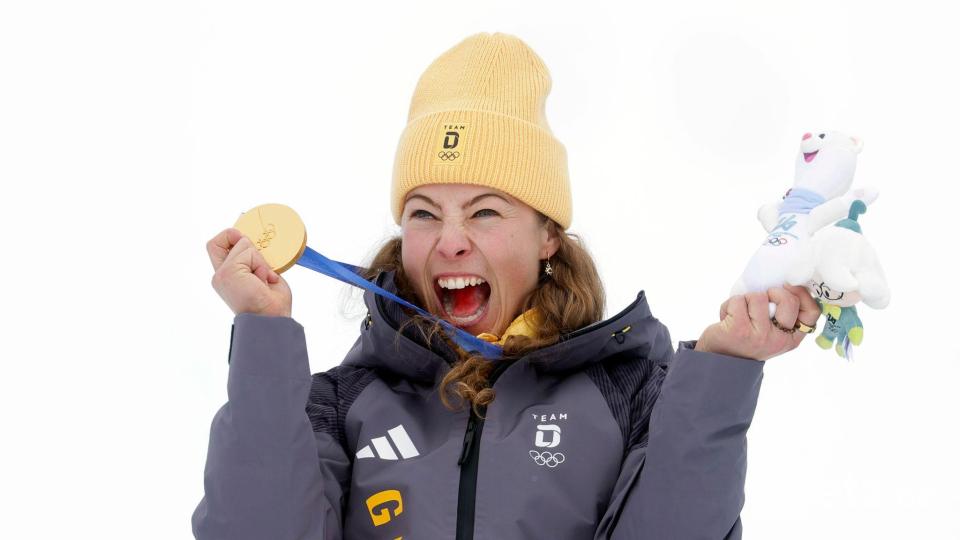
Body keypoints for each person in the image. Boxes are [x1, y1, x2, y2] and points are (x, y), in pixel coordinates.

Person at [192, 32, 820, 539]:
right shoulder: (338, 405)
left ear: (548, 235)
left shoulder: (632, 396)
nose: (450, 240)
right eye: (424, 213)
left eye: (486, 212)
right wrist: (264, 334)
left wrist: (723, 371)